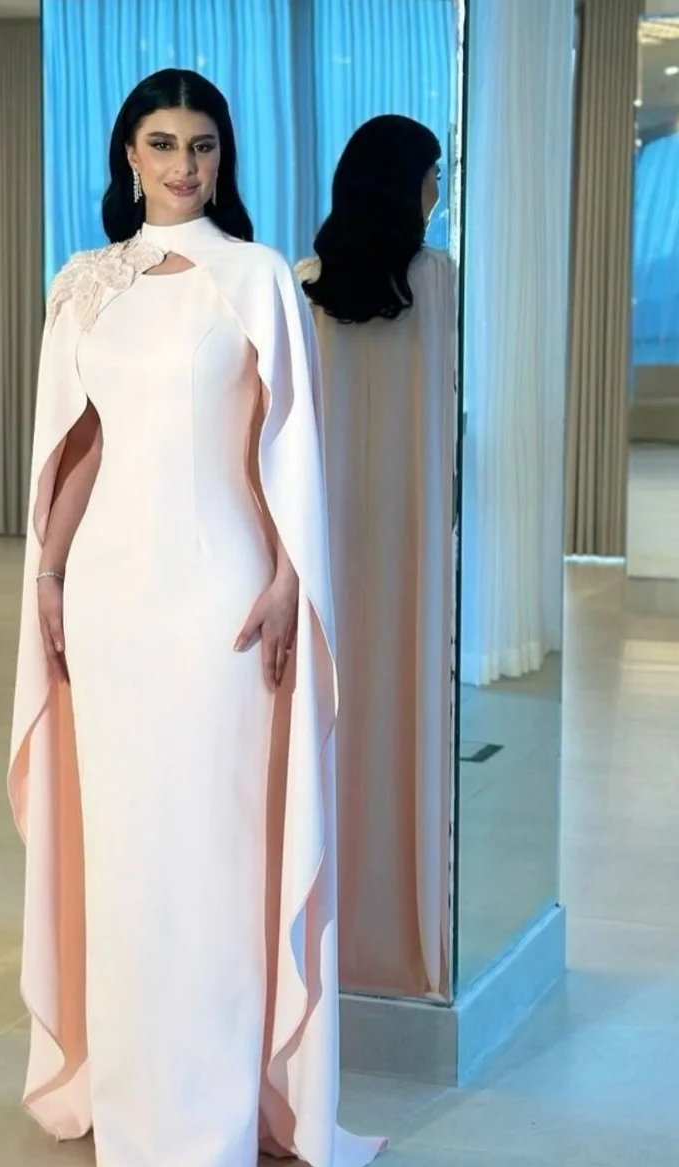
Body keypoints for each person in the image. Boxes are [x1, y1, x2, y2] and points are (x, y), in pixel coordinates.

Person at [7, 68, 384, 1167]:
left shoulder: (256, 276)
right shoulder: (85, 283)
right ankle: (131, 1103)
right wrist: (49, 574)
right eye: (164, 143)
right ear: (128, 154)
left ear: (223, 158)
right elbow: (79, 449)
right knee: (126, 855)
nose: (185, 164)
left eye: (204, 145)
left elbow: (288, 445)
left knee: (211, 853)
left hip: (219, 595)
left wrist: (287, 577)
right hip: (112, 598)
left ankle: (216, 1118)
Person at [298, 115, 457, 1001]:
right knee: (398, 705)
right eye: (432, 174)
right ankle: (396, 927)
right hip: (408, 538)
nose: (437, 191)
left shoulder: (304, 286)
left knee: (328, 717)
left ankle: (323, 926)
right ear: (404, 184)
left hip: (326, 534)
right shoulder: (436, 281)